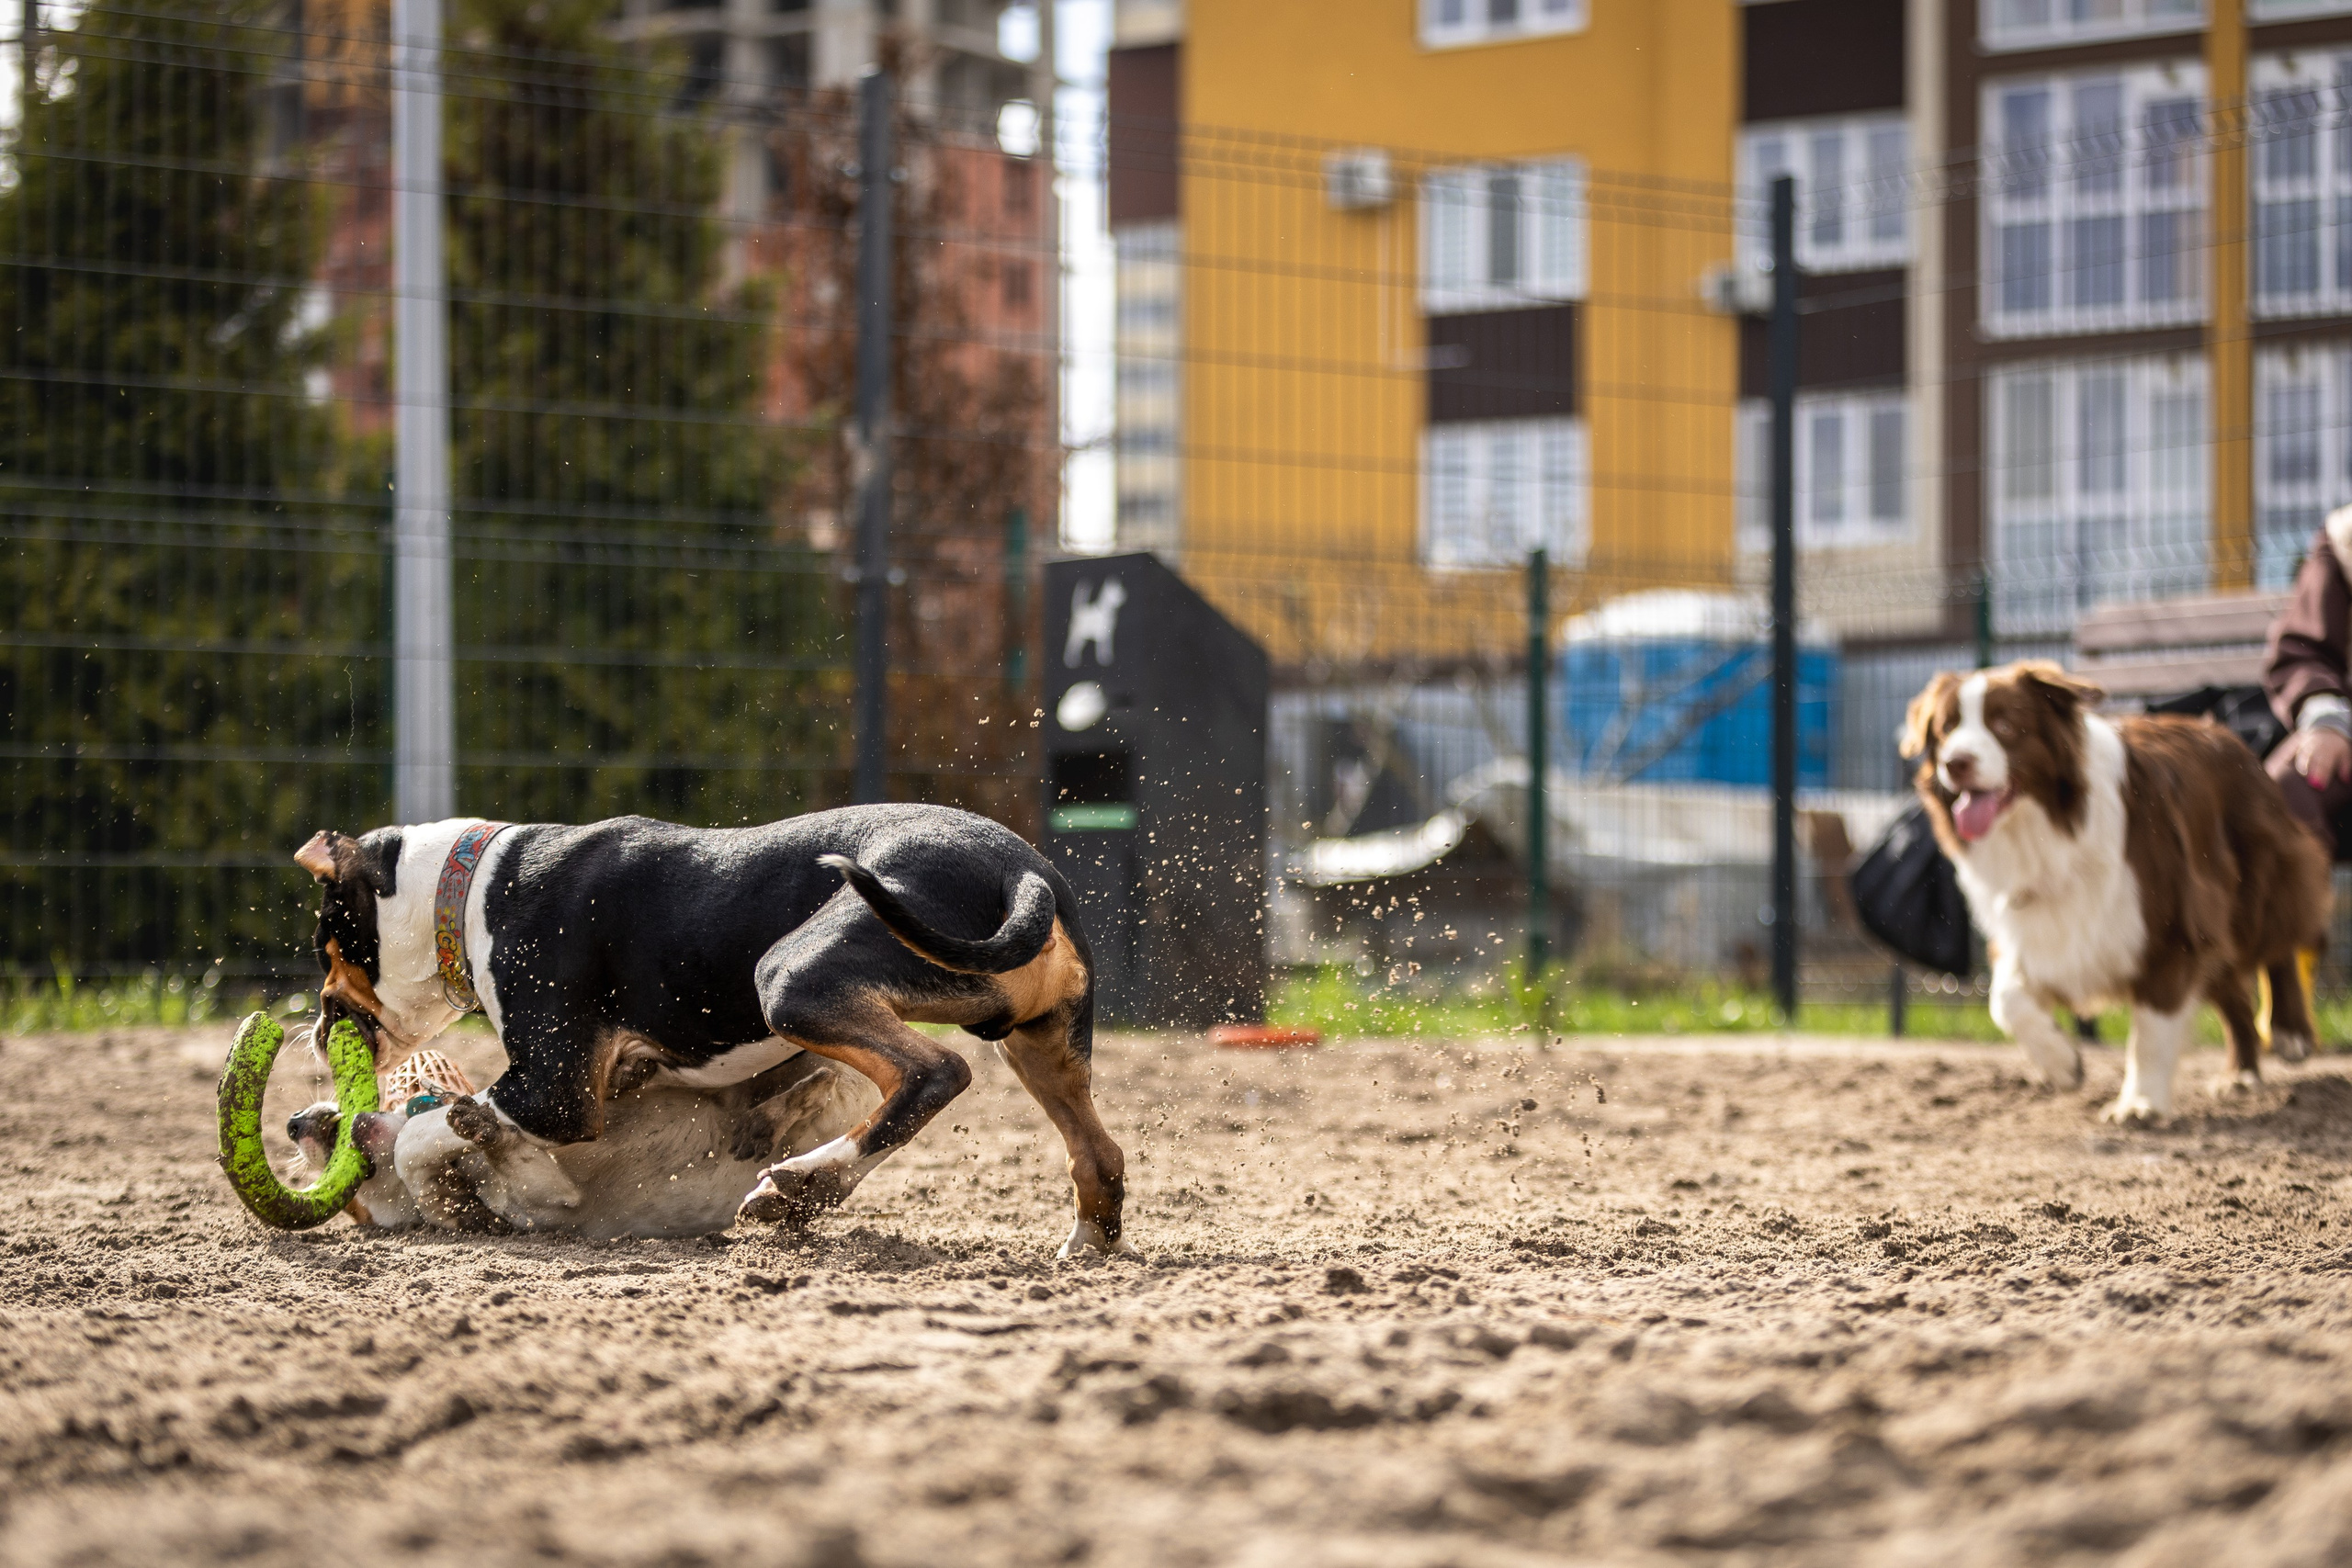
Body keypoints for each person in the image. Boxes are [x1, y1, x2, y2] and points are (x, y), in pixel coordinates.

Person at [2264, 507, 2352, 858]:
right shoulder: (2344, 538)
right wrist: (2327, 718)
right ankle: (2306, 912)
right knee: (2283, 791)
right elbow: (2302, 648)